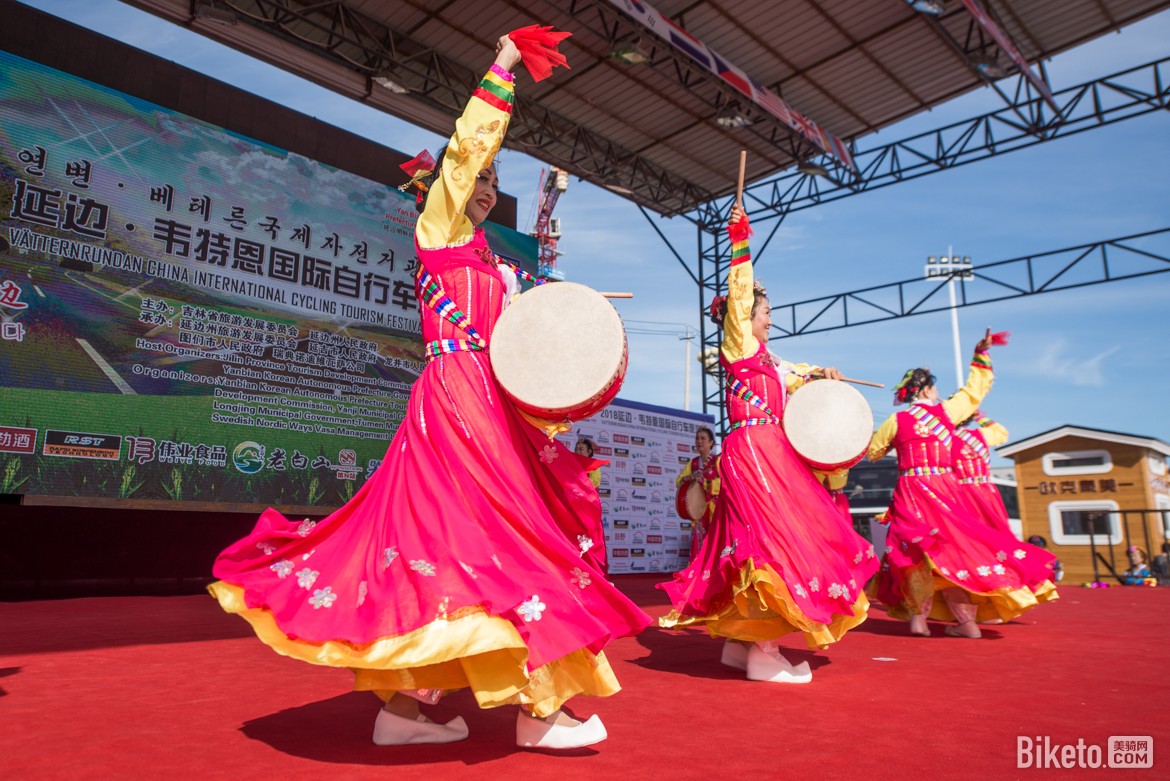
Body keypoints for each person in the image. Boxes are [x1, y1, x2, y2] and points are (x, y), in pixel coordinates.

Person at [208, 34, 649, 751]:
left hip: (485, 400)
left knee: (453, 546)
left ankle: (410, 708)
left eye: (491, 181)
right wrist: (503, 67)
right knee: (512, 541)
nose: (484, 187)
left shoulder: (491, 263)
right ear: (444, 186)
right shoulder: (437, 232)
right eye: (474, 177)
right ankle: (541, 707)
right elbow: (467, 147)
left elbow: (524, 351)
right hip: (457, 400)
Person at [659, 204, 878, 684]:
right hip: (757, 451)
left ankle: (742, 646)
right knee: (775, 542)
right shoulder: (739, 345)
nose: (770, 321)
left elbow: (798, 375)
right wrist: (740, 240)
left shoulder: (768, 359)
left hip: (763, 450)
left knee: (753, 542)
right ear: (745, 317)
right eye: (766, 313)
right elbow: (741, 293)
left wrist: (824, 373)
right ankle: (763, 649)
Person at [867, 333, 1058, 639]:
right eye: (936, 387)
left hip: (912, 489)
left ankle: (919, 620)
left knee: (915, 553)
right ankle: (967, 622)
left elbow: (873, 451)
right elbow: (974, 391)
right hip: (945, 489)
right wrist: (981, 354)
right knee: (957, 551)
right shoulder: (947, 413)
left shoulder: (896, 420)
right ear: (927, 389)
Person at [952, 410, 1015, 537]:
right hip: (985, 488)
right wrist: (980, 418)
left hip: (959, 491)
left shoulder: (944, 438)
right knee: (995, 527)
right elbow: (1002, 434)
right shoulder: (981, 435)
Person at [675, 426, 721, 556]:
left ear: (711, 442)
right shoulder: (693, 463)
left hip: (715, 509)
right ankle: (699, 572)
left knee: (716, 540)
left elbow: (723, 483)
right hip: (700, 510)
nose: (699, 441)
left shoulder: (717, 461)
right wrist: (687, 478)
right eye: (697, 438)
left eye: (703, 438)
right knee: (700, 541)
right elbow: (678, 481)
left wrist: (704, 481)